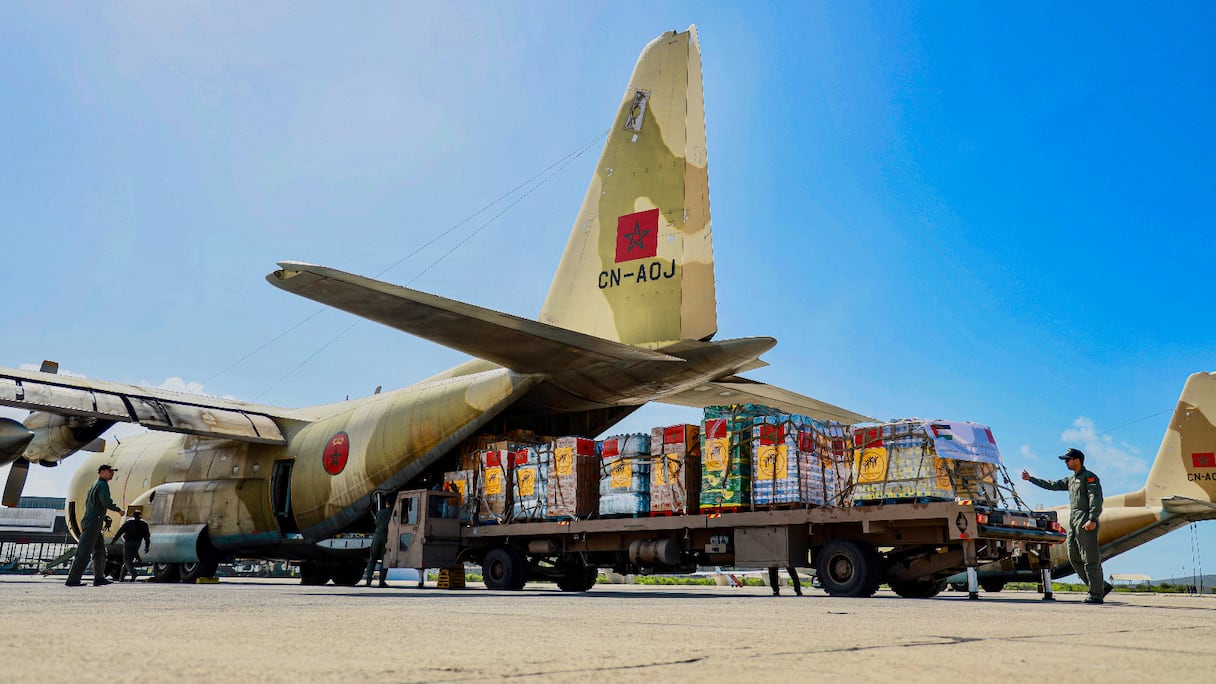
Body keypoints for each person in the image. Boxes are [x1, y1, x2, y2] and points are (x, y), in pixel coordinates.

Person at [1022, 448, 1113, 604]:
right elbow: (1052, 485)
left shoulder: (1089, 477)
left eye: (1068, 459)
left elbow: (1096, 499)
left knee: (1090, 557)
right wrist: (1031, 479)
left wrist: (1092, 519)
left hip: (1085, 518)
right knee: (1073, 556)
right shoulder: (1071, 480)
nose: (1066, 462)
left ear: (1077, 460)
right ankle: (1100, 586)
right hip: (1074, 519)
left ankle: (1096, 594)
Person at [65, 464, 125, 587]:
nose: (112, 473)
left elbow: (94, 505)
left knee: (100, 552)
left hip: (95, 522)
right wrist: (118, 510)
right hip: (93, 523)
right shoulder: (102, 485)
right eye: (110, 471)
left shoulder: (95, 485)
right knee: (84, 551)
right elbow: (106, 502)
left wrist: (103, 517)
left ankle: (99, 578)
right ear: (102, 472)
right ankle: (73, 579)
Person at [111, 509, 151, 582]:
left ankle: (134, 573)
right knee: (128, 560)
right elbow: (147, 536)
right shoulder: (144, 524)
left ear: (133, 515)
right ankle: (121, 578)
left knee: (127, 560)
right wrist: (147, 546)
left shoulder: (129, 522)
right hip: (137, 543)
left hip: (129, 542)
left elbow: (120, 531)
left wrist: (114, 540)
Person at [363, 496, 392, 588]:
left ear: (386, 503)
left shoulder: (380, 512)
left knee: (372, 559)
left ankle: (368, 581)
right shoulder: (394, 513)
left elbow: (376, 523)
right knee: (385, 560)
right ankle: (382, 581)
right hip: (387, 537)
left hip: (377, 537)